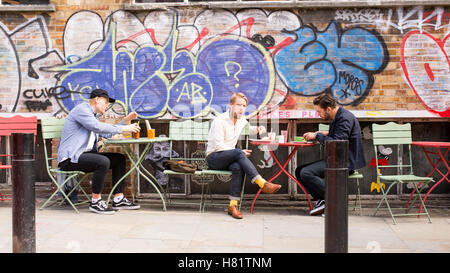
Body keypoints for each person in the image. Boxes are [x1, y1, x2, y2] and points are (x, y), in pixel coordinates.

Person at [57, 89, 141, 214]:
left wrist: (126, 121)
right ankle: (95, 201)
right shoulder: (82, 110)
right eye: (106, 102)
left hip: (84, 156)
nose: (107, 106)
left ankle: (118, 198)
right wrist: (124, 128)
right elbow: (97, 127)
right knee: (102, 161)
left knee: (119, 159)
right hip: (70, 159)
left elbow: (105, 131)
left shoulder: (92, 116)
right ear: (97, 99)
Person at [206, 92, 281, 219]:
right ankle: (262, 183)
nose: (241, 108)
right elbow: (218, 146)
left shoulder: (241, 120)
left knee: (238, 167)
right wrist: (238, 153)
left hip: (230, 158)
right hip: (214, 158)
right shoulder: (219, 121)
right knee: (238, 152)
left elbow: (249, 129)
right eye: (238, 105)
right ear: (230, 105)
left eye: (244, 105)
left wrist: (258, 129)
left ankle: (233, 205)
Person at [295, 93, 366, 216]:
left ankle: (335, 201)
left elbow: (337, 142)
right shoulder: (339, 116)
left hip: (345, 162)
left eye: (319, 112)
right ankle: (323, 200)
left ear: (328, 109)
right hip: (339, 159)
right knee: (299, 171)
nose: (318, 115)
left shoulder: (344, 118)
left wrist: (318, 136)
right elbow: (339, 134)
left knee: (306, 173)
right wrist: (324, 132)